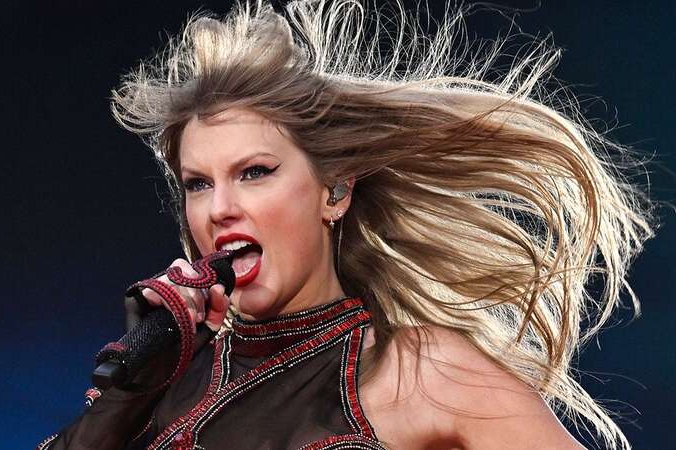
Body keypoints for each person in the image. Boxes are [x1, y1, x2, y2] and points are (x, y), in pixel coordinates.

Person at [37, 1, 656, 449]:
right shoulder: (165, 383)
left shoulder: (420, 368)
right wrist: (129, 392)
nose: (219, 207)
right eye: (199, 183)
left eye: (255, 172)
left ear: (334, 191)